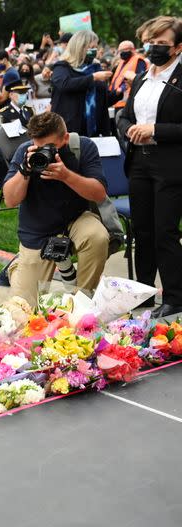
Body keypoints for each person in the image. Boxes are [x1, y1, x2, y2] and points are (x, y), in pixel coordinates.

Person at [2, 112, 109, 307]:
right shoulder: (25, 152)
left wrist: (67, 176)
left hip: (75, 220)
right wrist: (25, 170)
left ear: (65, 138)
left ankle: (83, 302)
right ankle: (17, 267)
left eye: (50, 147)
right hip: (37, 229)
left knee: (97, 236)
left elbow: (99, 194)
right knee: (23, 311)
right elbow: (9, 200)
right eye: (38, 147)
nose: (44, 153)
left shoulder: (83, 147)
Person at [117, 16, 182, 319]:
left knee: (163, 232)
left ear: (178, 47)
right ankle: (142, 291)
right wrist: (130, 128)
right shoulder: (143, 76)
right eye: (150, 42)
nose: (154, 48)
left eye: (162, 44)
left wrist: (155, 130)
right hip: (139, 162)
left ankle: (174, 295)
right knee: (142, 231)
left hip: (170, 165)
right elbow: (125, 115)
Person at [50, 30, 116, 137]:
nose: (94, 50)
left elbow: (102, 98)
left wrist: (118, 92)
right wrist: (93, 78)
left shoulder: (95, 67)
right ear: (80, 46)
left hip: (95, 127)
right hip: (70, 127)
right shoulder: (62, 66)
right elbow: (64, 85)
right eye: (91, 47)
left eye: (95, 47)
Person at [109, 40, 148, 109]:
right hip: (117, 100)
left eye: (124, 50)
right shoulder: (122, 62)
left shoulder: (139, 60)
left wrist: (121, 89)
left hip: (129, 101)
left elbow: (138, 79)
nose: (121, 53)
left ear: (132, 50)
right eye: (120, 51)